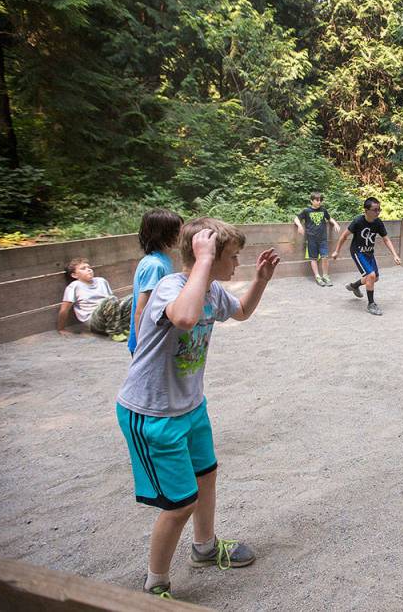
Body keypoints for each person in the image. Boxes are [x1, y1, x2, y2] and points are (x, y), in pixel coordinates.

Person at [116, 217, 279, 599]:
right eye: (233, 257)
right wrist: (203, 261)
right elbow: (185, 318)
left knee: (206, 477)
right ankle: (155, 583)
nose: (237, 264)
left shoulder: (213, 291)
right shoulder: (170, 287)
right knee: (179, 505)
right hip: (152, 413)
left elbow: (240, 312)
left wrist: (260, 281)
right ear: (205, 255)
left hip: (190, 407)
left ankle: (204, 549)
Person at [331, 197, 400, 316]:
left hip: (369, 253)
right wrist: (336, 251)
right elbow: (344, 236)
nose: (378, 212)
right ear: (366, 210)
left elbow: (386, 239)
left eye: (379, 209)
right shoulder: (358, 221)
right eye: (375, 210)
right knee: (371, 275)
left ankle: (354, 286)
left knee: (375, 278)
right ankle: (371, 304)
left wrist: (395, 254)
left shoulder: (378, 222)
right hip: (358, 252)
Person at [129, 209, 183, 354]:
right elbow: (141, 310)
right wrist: (143, 348)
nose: (182, 234)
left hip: (157, 340)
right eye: (178, 230)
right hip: (148, 343)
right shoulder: (154, 265)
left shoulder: (163, 260)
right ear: (164, 234)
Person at [57, 258, 132, 340]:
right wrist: (61, 328)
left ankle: (124, 326)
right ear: (74, 275)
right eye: (83, 268)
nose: (88, 270)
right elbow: (64, 310)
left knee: (131, 298)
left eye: (89, 267)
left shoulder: (101, 281)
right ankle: (115, 332)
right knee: (112, 299)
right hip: (93, 320)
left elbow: (114, 303)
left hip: (109, 315)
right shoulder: (74, 286)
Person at [294, 192, 340, 286]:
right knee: (313, 258)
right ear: (311, 201)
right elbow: (296, 219)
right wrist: (299, 226)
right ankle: (317, 277)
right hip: (311, 238)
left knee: (325, 256)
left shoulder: (323, 210)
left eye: (320, 200)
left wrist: (335, 223)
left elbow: (329, 218)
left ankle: (325, 276)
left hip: (323, 238)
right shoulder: (306, 211)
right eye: (317, 200)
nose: (319, 202)